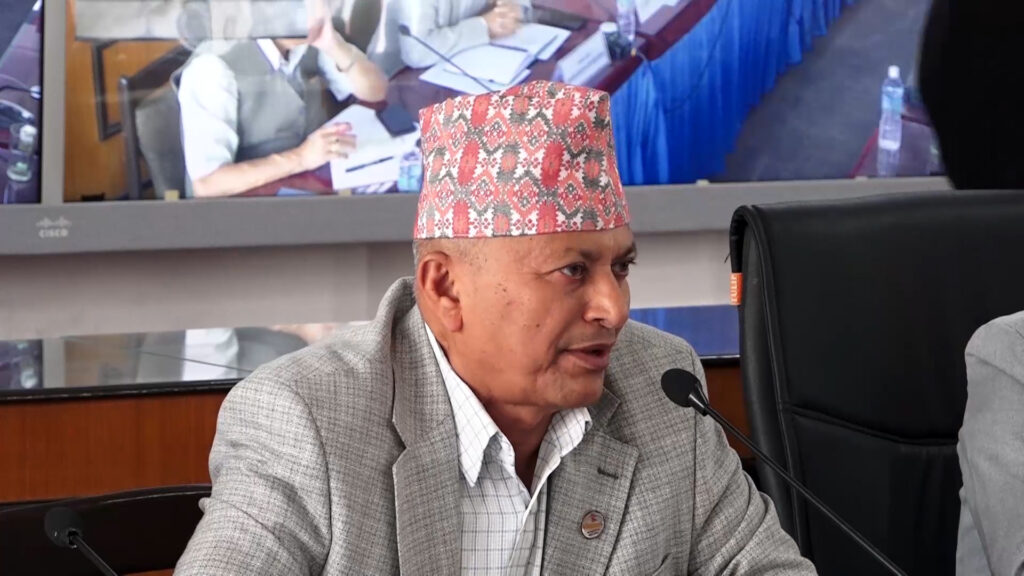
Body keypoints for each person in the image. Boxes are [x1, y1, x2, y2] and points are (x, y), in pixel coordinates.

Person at [175, 80, 815, 574]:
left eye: (621, 268)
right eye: (572, 270)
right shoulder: (306, 419)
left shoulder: (660, 386)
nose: (614, 309)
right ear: (445, 289)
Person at [176, 2, 388, 198]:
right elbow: (207, 184)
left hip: (302, 186)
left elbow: (375, 92)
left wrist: (335, 45)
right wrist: (301, 158)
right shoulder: (211, 68)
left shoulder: (305, 40)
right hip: (244, 207)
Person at [369, 0, 530, 76]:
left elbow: (519, 5)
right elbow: (417, 52)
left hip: (464, 63)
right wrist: (484, 27)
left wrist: (513, 8)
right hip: (397, 81)